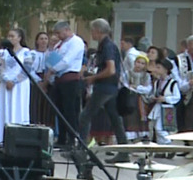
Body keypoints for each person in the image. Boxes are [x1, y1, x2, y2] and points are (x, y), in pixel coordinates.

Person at [78, 18, 129, 150]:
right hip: (111, 88)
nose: (92, 33)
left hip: (104, 87)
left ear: (98, 31)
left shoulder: (107, 46)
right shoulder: (107, 45)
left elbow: (110, 69)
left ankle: (81, 149)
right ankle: (124, 150)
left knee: (85, 116)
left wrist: (94, 78)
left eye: (92, 30)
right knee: (115, 119)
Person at [44, 20, 85, 147]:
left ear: (67, 30)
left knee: (70, 110)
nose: (57, 36)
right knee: (60, 110)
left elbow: (67, 61)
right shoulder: (60, 44)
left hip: (70, 78)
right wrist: (51, 48)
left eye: (59, 33)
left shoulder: (76, 42)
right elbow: (51, 58)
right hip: (59, 79)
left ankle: (72, 138)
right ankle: (61, 138)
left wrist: (53, 69)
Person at [0, 29, 31, 145]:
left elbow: (27, 69)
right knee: (5, 107)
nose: (10, 38)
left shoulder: (27, 52)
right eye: (8, 36)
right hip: (6, 84)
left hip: (19, 86)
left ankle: (18, 138)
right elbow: (1, 68)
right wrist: (6, 79)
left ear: (19, 38)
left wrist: (14, 81)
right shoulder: (3, 53)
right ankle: (1, 138)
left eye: (13, 36)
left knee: (18, 107)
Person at [146, 57, 181, 143]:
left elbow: (177, 97)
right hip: (158, 107)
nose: (156, 69)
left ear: (166, 70)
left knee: (162, 129)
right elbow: (153, 93)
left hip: (167, 108)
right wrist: (153, 97)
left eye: (159, 67)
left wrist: (165, 98)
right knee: (157, 128)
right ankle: (161, 147)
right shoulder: (157, 82)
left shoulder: (172, 83)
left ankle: (167, 145)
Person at [29, 31, 53, 131]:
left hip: (48, 80)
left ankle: (46, 125)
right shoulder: (32, 54)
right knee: (35, 103)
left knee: (46, 105)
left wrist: (45, 82)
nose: (43, 41)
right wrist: (38, 81)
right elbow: (29, 69)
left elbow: (53, 68)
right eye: (41, 39)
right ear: (37, 41)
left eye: (45, 39)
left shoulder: (51, 54)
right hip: (35, 80)